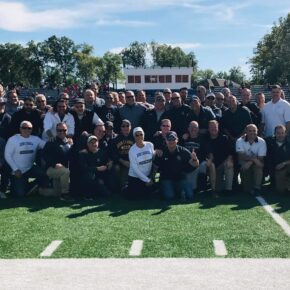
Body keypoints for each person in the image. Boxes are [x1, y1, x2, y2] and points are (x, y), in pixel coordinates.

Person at [4, 121, 47, 197]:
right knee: (20, 194)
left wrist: (64, 141)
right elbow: (7, 155)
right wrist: (15, 169)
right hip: (18, 171)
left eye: (29, 128)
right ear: (20, 129)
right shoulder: (13, 139)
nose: (27, 130)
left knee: (44, 175)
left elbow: (48, 146)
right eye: (24, 128)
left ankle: (30, 186)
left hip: (30, 168)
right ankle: (27, 187)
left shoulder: (35, 139)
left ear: (32, 129)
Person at [154, 131, 199, 201]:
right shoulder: (161, 152)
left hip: (181, 178)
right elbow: (155, 169)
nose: (171, 141)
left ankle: (179, 191)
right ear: (166, 141)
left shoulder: (183, 151)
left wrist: (195, 159)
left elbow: (196, 164)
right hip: (166, 179)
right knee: (169, 197)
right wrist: (156, 182)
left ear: (177, 140)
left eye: (173, 139)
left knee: (190, 195)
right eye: (169, 139)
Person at [42, 122, 72, 199]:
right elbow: (43, 155)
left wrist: (71, 145)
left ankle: (40, 190)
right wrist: (54, 164)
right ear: (56, 131)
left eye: (64, 130)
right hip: (51, 169)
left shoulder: (69, 142)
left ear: (67, 130)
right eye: (59, 130)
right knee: (66, 171)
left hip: (62, 170)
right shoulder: (51, 141)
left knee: (56, 193)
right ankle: (65, 194)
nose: (62, 132)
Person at [204, 120, 234, 195]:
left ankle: (228, 190)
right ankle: (213, 189)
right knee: (218, 189)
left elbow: (230, 151)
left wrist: (229, 160)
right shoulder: (205, 139)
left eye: (215, 127)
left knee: (229, 165)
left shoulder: (224, 138)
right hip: (211, 166)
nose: (213, 129)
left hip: (222, 164)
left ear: (218, 127)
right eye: (211, 127)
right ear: (208, 128)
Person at [236, 124, 267, 195]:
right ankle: (248, 187)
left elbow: (261, 159)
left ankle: (257, 187)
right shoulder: (240, 140)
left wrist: (251, 161)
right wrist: (253, 159)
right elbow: (241, 156)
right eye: (250, 131)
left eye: (254, 131)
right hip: (244, 161)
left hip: (256, 161)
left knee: (259, 166)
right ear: (246, 131)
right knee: (246, 189)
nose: (252, 132)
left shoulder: (262, 141)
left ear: (257, 131)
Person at [126, 127, 155, 199]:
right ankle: (125, 188)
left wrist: (151, 177)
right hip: (135, 177)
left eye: (141, 134)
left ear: (143, 135)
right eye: (137, 135)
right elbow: (135, 169)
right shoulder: (132, 150)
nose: (139, 137)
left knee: (149, 195)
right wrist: (147, 180)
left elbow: (153, 157)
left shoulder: (150, 145)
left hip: (147, 175)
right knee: (136, 197)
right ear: (134, 137)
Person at [109, 119, 134, 189]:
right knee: (116, 168)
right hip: (120, 163)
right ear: (120, 128)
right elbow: (112, 154)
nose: (125, 128)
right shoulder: (115, 139)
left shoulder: (135, 138)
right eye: (123, 126)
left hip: (132, 163)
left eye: (127, 126)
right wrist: (123, 161)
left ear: (130, 127)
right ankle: (115, 187)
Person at [266, 125, 290, 193]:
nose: (280, 135)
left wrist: (284, 163)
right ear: (274, 134)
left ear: (285, 133)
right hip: (277, 168)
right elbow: (257, 139)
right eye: (278, 133)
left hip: (287, 165)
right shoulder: (269, 141)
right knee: (280, 190)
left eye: (282, 133)